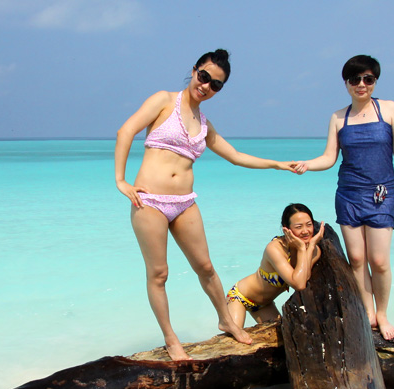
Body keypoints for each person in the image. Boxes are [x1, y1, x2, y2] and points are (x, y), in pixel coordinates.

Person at [115, 49, 296, 360]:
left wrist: (278, 164)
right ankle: (171, 339)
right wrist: (121, 181)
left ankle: (226, 320)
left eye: (216, 84)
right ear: (194, 70)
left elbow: (237, 156)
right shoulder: (163, 101)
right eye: (204, 77)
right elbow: (126, 131)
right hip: (150, 201)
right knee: (159, 274)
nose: (207, 86)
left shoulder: (205, 124)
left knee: (207, 268)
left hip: (184, 202)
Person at [294, 55, 394, 340]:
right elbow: (329, 157)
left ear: (375, 81)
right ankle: (367, 311)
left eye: (368, 79)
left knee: (380, 260)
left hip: (381, 194)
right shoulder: (339, 117)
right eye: (355, 80)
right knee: (357, 258)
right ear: (346, 84)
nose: (361, 85)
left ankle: (384, 312)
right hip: (349, 194)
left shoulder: (389, 110)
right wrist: (306, 164)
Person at [227, 203, 324, 328]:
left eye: (309, 225)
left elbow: (302, 281)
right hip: (240, 297)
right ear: (286, 229)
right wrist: (301, 249)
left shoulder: (314, 251)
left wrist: (309, 248)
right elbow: (298, 284)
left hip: (265, 305)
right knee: (235, 340)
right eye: (299, 227)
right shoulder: (275, 248)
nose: (305, 231)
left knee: (283, 340)